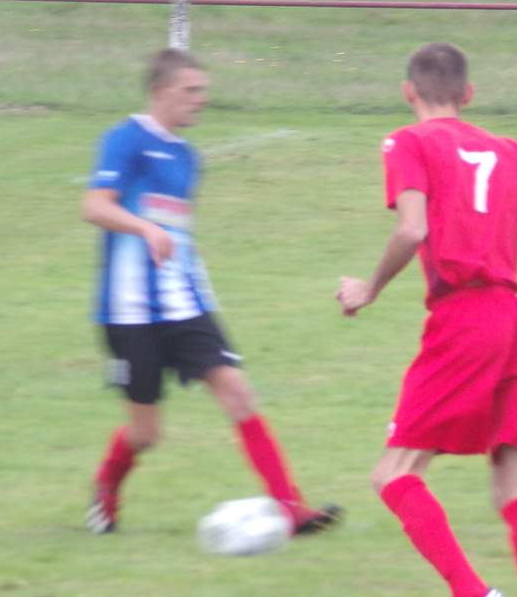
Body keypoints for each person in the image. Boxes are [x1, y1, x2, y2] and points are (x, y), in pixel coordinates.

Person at [337, 43, 517, 597]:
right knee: (513, 484)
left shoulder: (407, 142)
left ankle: (470, 592)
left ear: (409, 92)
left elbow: (412, 231)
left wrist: (367, 289)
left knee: (393, 473)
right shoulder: (507, 150)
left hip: (463, 323)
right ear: (470, 95)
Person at [83, 48, 340, 538]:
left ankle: (291, 509)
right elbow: (94, 205)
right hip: (129, 309)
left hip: (184, 302)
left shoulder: (187, 156)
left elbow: (177, 231)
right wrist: (143, 229)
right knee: (146, 433)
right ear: (161, 92)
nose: (201, 100)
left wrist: (196, 281)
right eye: (191, 91)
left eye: (203, 91)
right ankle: (106, 485)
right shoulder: (125, 140)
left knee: (238, 392)